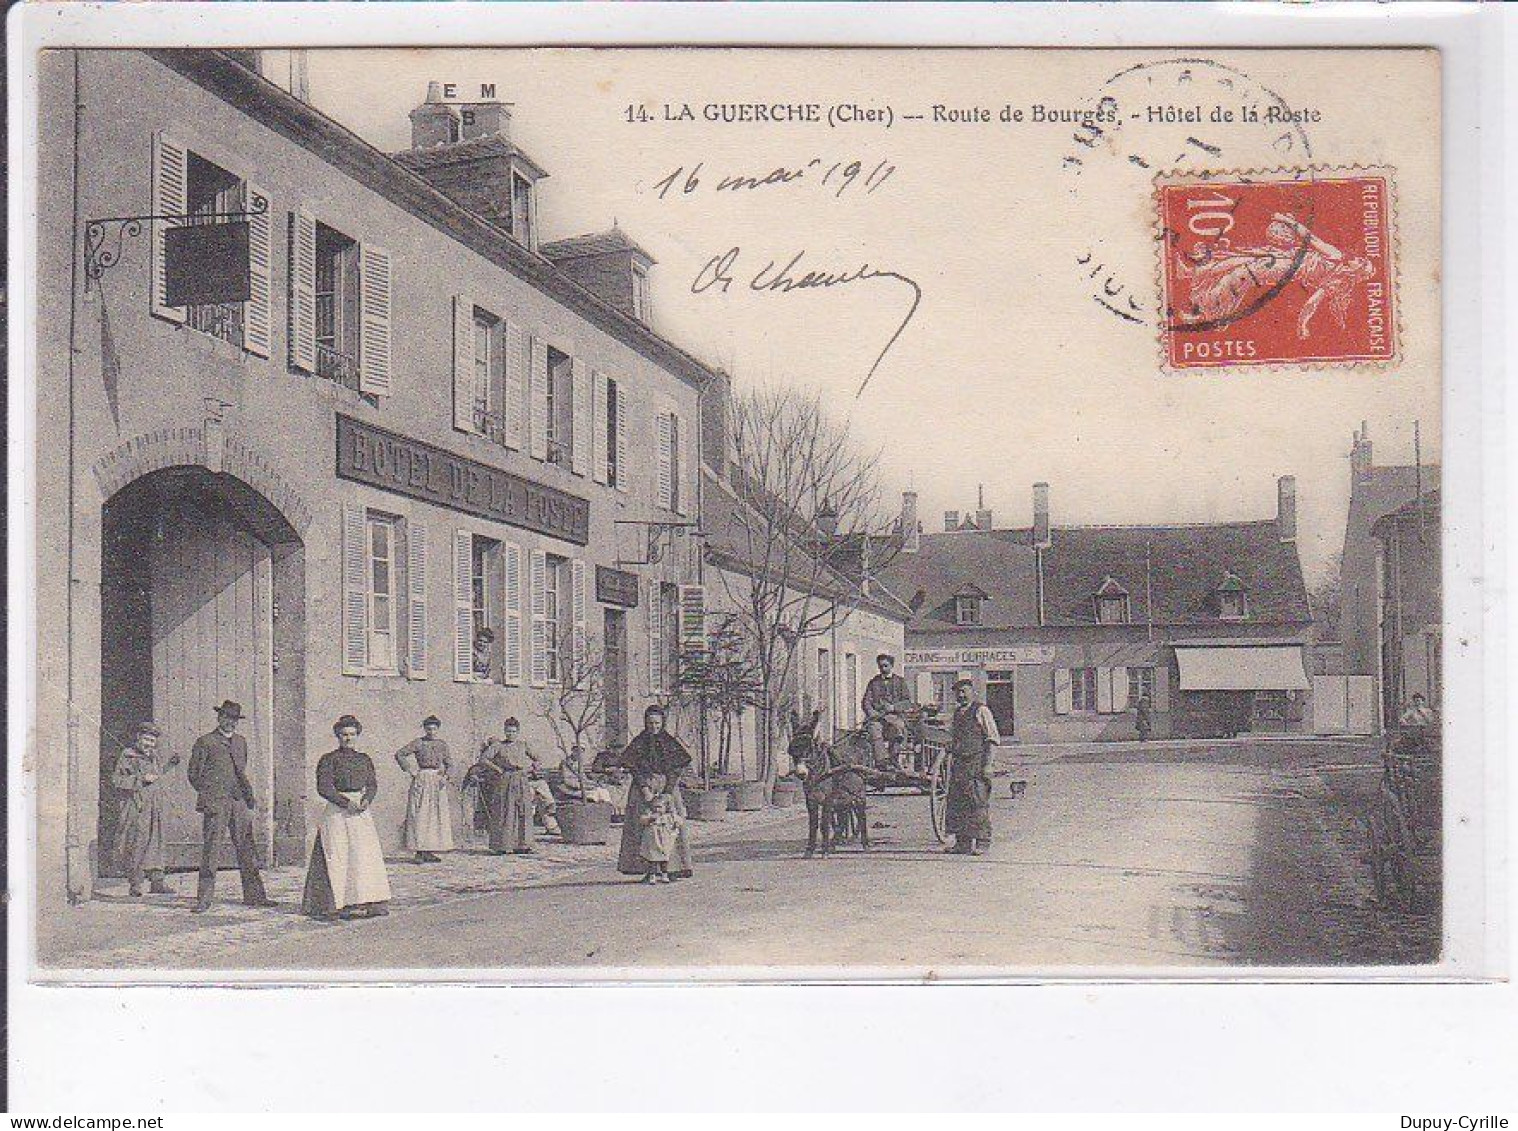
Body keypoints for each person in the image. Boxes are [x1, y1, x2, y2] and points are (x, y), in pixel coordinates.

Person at [187, 700, 275, 913]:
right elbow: (193, 775)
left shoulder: (240, 742)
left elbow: (241, 770)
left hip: (239, 802)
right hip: (216, 804)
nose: (230, 723)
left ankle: (254, 896)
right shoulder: (205, 742)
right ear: (219, 718)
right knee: (211, 850)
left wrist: (246, 798)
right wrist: (211, 795)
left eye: (234, 719)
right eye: (226, 718)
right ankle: (204, 900)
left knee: (247, 847)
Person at [302, 716, 392, 920]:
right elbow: (323, 787)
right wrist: (344, 802)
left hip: (360, 812)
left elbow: (372, 784)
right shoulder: (328, 759)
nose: (348, 738)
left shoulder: (364, 759)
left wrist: (367, 800)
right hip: (337, 812)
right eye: (344, 735)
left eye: (352, 734)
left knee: (364, 856)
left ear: (357, 735)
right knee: (338, 854)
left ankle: (366, 900)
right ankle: (336, 903)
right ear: (337, 736)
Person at [614, 705, 694, 879]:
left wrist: (667, 792)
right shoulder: (639, 742)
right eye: (650, 723)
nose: (654, 726)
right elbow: (634, 768)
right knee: (642, 827)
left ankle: (671, 868)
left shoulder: (670, 742)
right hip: (643, 787)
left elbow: (676, 769)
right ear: (645, 722)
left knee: (670, 826)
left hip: (667, 787)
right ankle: (648, 869)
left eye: (657, 723)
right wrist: (644, 789)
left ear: (662, 722)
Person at [111, 722, 178, 897]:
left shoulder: (153, 756)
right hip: (137, 807)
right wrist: (140, 779)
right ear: (138, 738)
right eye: (146, 739)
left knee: (157, 842)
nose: (149, 744)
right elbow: (117, 780)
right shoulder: (128, 756)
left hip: (155, 807)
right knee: (137, 843)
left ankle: (157, 882)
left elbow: (156, 777)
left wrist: (169, 766)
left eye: (152, 740)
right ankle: (136, 884)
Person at [944, 678, 1001, 856]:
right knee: (958, 801)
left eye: (964, 691)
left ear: (972, 691)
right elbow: (953, 737)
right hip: (960, 763)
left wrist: (988, 765)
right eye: (958, 692)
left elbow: (992, 739)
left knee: (977, 801)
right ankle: (963, 843)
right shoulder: (957, 713)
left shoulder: (981, 711)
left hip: (976, 762)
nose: (961, 695)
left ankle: (983, 841)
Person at [465, 718, 537, 854]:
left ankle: (523, 845)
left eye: (514, 731)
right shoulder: (498, 746)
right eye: (508, 731)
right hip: (506, 780)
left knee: (523, 811)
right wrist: (497, 769)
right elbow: (483, 759)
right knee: (506, 811)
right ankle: (503, 845)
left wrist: (531, 768)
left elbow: (538, 758)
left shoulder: (523, 745)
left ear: (518, 732)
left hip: (521, 780)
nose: (511, 734)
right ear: (504, 731)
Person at [396, 716, 454, 864]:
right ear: (424, 729)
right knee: (420, 814)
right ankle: (419, 851)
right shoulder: (418, 743)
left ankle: (429, 850)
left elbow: (449, 764)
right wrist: (410, 770)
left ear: (438, 729)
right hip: (422, 779)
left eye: (434, 728)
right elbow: (400, 754)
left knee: (434, 815)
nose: (431, 731)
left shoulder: (442, 745)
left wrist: (445, 777)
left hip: (437, 780)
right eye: (429, 728)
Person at [862, 653, 914, 769]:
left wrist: (894, 707)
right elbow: (866, 701)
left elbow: (907, 702)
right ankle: (881, 762)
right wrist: (871, 712)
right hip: (877, 719)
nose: (883, 669)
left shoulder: (900, 682)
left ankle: (894, 759)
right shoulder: (873, 682)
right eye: (880, 666)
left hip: (895, 717)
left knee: (898, 730)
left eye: (885, 666)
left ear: (891, 666)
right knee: (874, 730)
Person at [637, 773, 683, 884]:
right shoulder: (651, 815)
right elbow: (643, 820)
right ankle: (651, 875)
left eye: (660, 807)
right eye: (655, 807)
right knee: (651, 857)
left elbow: (678, 820)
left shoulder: (668, 816)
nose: (657, 809)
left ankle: (667, 873)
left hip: (664, 840)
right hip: (653, 840)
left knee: (665, 856)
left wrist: (676, 823)